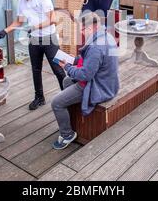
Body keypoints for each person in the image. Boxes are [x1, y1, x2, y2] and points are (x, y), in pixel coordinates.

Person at [0, 0, 66, 110]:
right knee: (36, 70)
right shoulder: (22, 3)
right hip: (34, 40)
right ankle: (39, 98)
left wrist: (35, 27)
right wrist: (5, 31)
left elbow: (53, 19)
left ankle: (67, 96)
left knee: (58, 69)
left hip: (49, 38)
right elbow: (19, 22)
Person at [51, 12, 119, 150]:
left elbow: (85, 75)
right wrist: (75, 60)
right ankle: (73, 119)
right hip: (108, 82)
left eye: (82, 29)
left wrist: (68, 66)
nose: (81, 33)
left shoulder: (95, 47)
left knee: (56, 103)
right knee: (66, 81)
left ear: (90, 28)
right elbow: (94, 63)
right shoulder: (107, 36)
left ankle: (67, 134)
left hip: (98, 87)